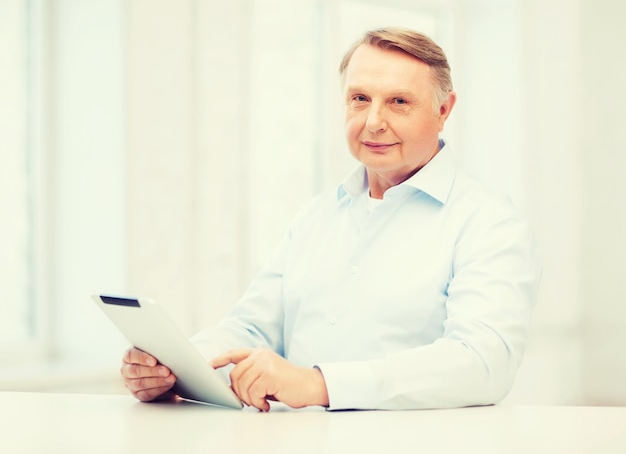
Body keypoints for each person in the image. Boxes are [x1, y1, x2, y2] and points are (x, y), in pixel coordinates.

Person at [120, 27, 540, 411]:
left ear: (444, 108)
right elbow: (251, 329)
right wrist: (174, 367)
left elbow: (484, 363)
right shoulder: (317, 215)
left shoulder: (489, 222)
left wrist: (319, 385)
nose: (374, 122)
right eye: (360, 99)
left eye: (398, 101)